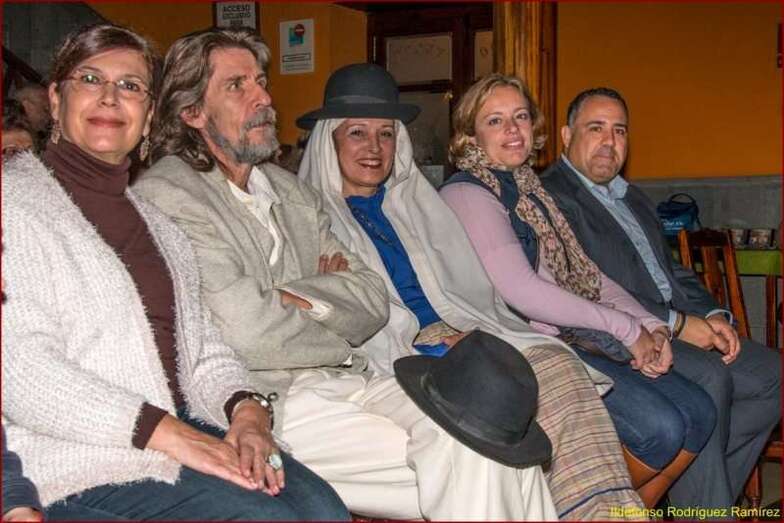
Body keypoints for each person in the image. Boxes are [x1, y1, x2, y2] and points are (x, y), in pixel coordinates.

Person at [134, 29, 558, 521]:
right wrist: (330, 304)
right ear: (192, 112)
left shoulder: (292, 192)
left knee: (499, 435)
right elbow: (246, 332)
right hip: (269, 401)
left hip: (354, 377)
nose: (264, 98)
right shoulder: (170, 195)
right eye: (237, 86)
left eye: (261, 81)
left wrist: (289, 297)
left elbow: (372, 300)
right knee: (475, 451)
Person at [1, 23, 348, 521]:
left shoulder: (159, 227)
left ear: (148, 116)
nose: (110, 97)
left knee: (323, 509)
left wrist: (247, 411)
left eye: (131, 86)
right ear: (56, 100)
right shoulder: (13, 203)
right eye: (91, 79)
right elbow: (21, 370)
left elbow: (205, 350)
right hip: (74, 454)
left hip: (176, 427)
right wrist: (171, 434)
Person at [296, 63, 646, 520]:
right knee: (512, 396)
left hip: (470, 335)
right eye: (357, 133)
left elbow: (474, 292)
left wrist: (467, 332)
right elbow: (329, 313)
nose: (374, 148)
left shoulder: (417, 205)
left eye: (386, 134)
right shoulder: (309, 220)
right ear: (330, 140)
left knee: (558, 368)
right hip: (399, 357)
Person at [440, 74, 717, 507]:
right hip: (517, 347)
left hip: (568, 336)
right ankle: (579, 510)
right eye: (495, 121)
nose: (512, 130)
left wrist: (650, 325)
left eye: (520, 117)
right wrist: (627, 330)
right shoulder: (466, 192)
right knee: (660, 429)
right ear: (470, 135)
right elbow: (522, 290)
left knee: (700, 413)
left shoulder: (530, 190)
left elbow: (588, 275)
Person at [540, 86, 781, 511]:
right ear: (565, 135)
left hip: (680, 320)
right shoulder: (552, 196)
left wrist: (713, 313)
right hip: (619, 333)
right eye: (596, 128)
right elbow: (588, 288)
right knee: (710, 377)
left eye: (619, 131)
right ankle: (707, 509)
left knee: (773, 376)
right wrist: (679, 325)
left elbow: (671, 272)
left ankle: (703, 496)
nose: (609, 141)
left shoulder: (632, 197)